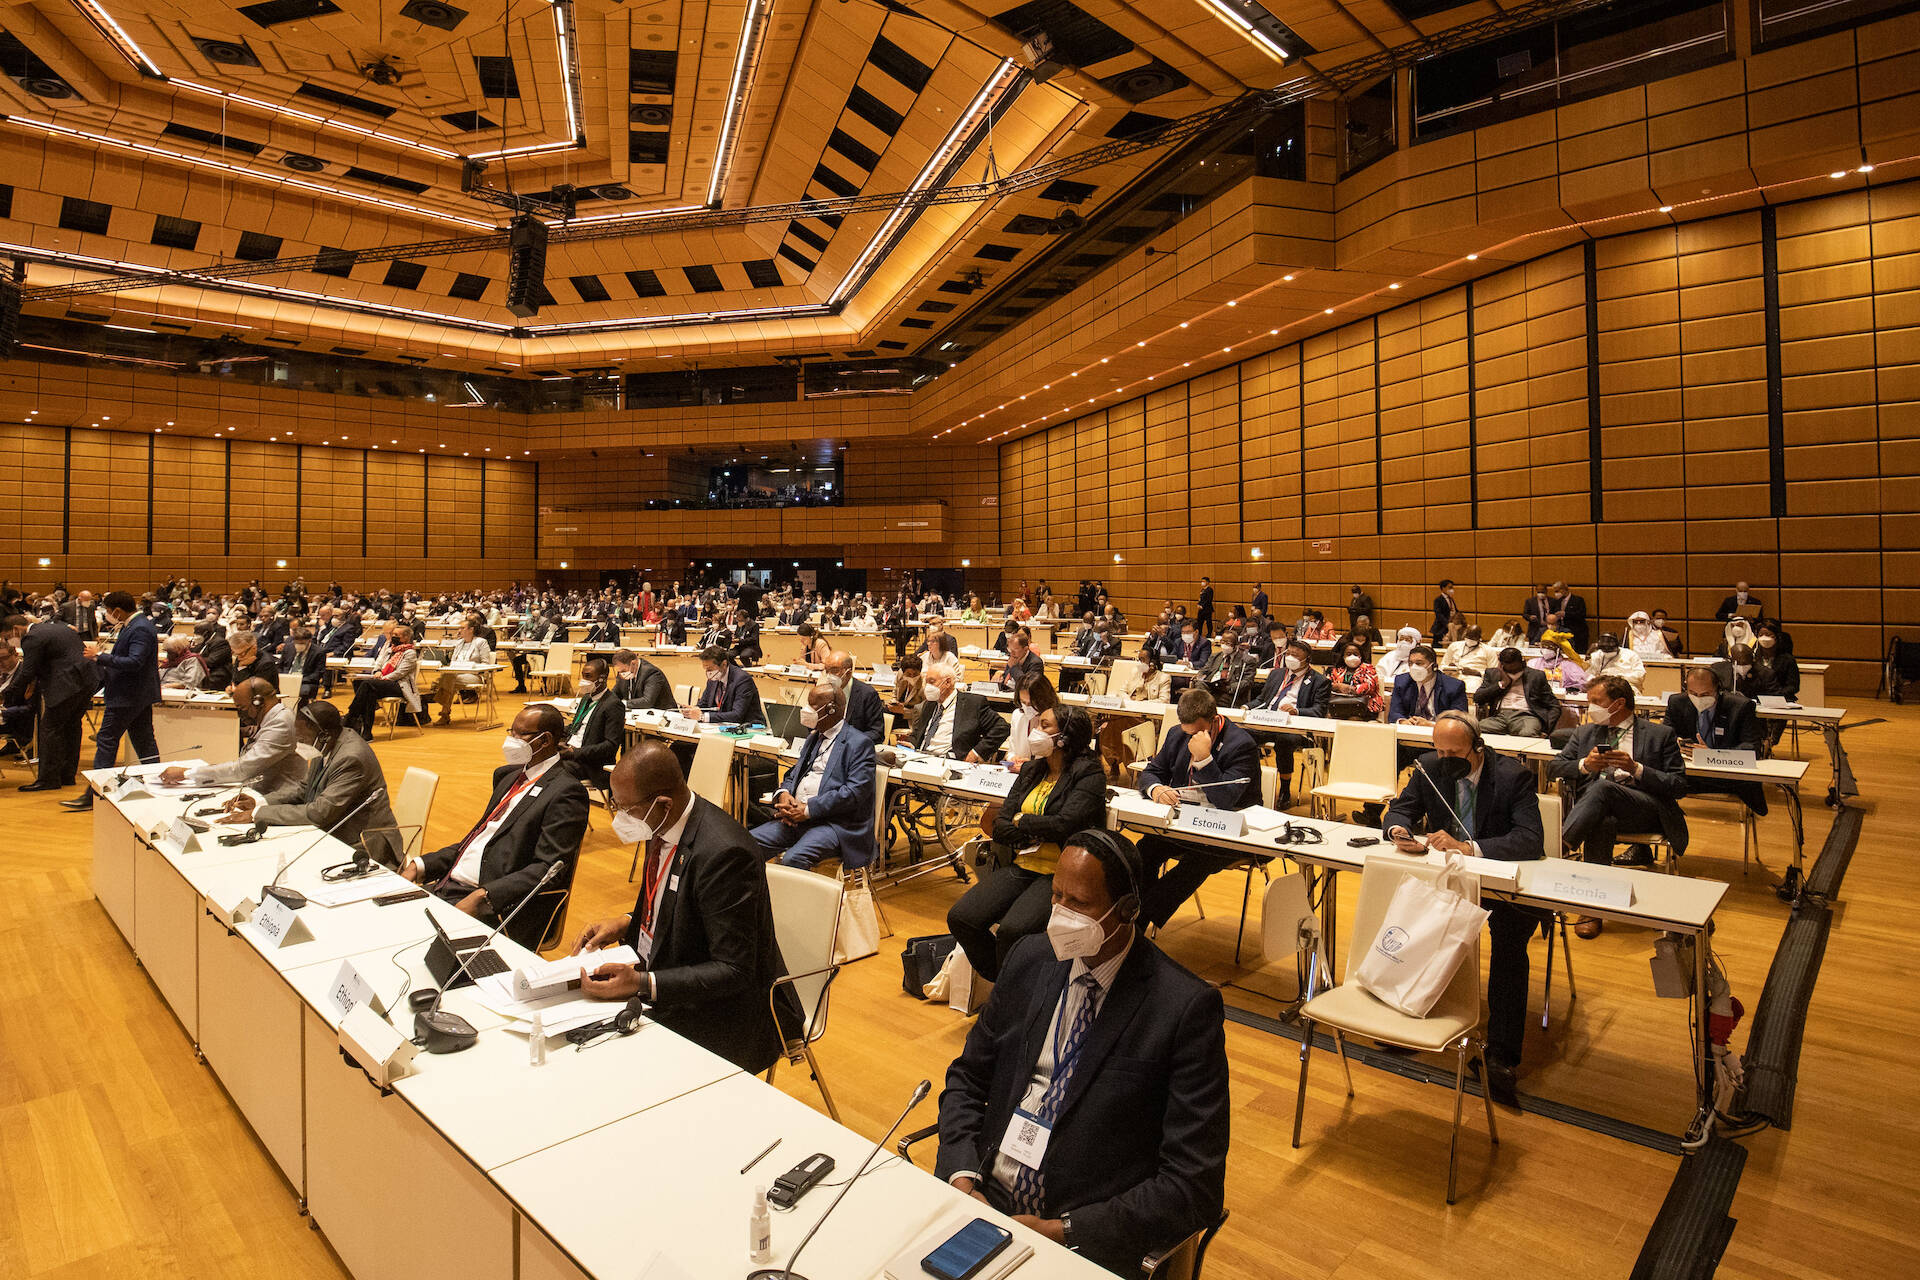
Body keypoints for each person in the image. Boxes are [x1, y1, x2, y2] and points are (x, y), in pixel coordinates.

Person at [935, 830, 1229, 1276]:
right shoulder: (1029, 959)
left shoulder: (1183, 1008)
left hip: (1080, 1236)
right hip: (983, 1205)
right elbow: (968, 1078)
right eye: (1056, 897)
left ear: (1128, 910)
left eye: (1080, 904)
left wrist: (1065, 1230)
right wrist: (961, 1173)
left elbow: (1194, 1184)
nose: (1060, 916)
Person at [570, 744, 803, 1073]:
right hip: (665, 979)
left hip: (718, 1015)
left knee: (604, 1068)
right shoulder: (664, 823)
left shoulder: (725, 853)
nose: (619, 818)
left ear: (662, 803)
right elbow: (675, 901)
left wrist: (642, 983)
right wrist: (627, 922)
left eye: (625, 809)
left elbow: (734, 971)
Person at [1381, 711, 1544, 1108]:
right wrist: (1399, 830)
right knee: (1414, 924)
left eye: (1454, 751)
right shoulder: (1430, 767)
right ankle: (1411, 1018)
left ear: (1478, 747)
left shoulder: (1511, 776)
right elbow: (1399, 809)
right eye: (1439, 749)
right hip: (1450, 879)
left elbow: (1529, 839)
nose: (1445, 757)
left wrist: (1470, 848)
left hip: (1502, 883)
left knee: (1508, 948)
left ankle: (1502, 1057)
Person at [401, 705, 587, 947]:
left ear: (545, 740)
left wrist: (483, 897)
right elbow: (480, 841)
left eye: (521, 735)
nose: (512, 740)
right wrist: (421, 865)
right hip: (449, 888)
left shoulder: (566, 791)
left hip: (493, 907)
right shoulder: (509, 777)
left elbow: (548, 869)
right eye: (512, 732)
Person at [949, 707, 1106, 980]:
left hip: (1060, 874)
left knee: (1013, 931)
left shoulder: (1089, 773)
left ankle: (1011, 993)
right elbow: (1000, 826)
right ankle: (1005, 984)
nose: (1035, 731)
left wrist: (1024, 823)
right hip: (1022, 864)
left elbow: (1065, 825)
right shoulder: (1032, 770)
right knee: (962, 918)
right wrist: (1032, 828)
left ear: (1064, 737)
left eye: (1044, 726)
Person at [1551, 675, 1688, 936]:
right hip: (1596, 812)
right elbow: (1554, 768)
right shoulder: (1585, 732)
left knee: (1602, 788)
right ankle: (1592, 908)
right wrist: (1585, 765)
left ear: (1618, 703)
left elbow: (1679, 785)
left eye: (1596, 701)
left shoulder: (1660, 734)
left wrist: (1636, 768)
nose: (1590, 707)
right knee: (1601, 820)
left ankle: (1559, 846)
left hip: (1644, 808)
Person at [1135, 688, 1262, 928]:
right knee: (1143, 850)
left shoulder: (1241, 744)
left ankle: (1140, 919)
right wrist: (1156, 789)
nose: (1192, 738)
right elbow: (1151, 772)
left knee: (1196, 862)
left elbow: (1226, 801)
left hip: (1229, 830)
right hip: (1186, 820)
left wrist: (1204, 759)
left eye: (1199, 731)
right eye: (1188, 732)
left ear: (1214, 720)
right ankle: (1136, 917)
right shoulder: (1176, 734)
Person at [218, 701, 401, 866]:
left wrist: (258, 814)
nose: (298, 745)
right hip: (334, 832)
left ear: (324, 735)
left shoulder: (351, 759)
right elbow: (303, 789)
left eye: (302, 740)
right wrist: (260, 802)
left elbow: (319, 812)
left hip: (363, 845)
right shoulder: (326, 744)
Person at [751, 682, 876, 871]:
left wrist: (808, 810)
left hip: (834, 824)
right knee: (746, 844)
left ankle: (798, 901)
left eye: (813, 706)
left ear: (832, 709)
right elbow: (793, 774)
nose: (806, 710)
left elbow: (853, 793)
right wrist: (784, 795)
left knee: (793, 859)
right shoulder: (814, 737)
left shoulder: (859, 743)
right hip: (795, 819)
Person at [62, 592, 162, 812]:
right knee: (144, 742)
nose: (107, 615)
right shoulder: (135, 625)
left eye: (108, 611)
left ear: (117, 611)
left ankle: (93, 794)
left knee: (106, 739)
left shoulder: (139, 628)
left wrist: (99, 656)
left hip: (127, 696)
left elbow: (134, 662)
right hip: (136, 695)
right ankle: (159, 786)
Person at [157, 678, 306, 797]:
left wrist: (186, 773)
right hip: (260, 786)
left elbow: (241, 769)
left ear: (258, 702)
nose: (241, 715)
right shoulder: (276, 716)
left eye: (242, 708)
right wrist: (252, 731)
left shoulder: (280, 723)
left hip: (276, 794)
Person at [1664, 664, 1768, 815]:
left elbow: (1752, 748)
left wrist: (1712, 753)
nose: (1699, 699)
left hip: (1727, 776)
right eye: (1693, 693)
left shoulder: (1741, 707)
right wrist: (1677, 743)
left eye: (1705, 694)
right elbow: (1665, 735)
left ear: (1718, 689)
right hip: (1690, 774)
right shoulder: (1676, 702)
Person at [14, 610, 91, 792]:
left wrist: (8, 693)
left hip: (65, 684)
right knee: (72, 727)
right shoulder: (59, 628)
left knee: (50, 729)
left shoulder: (32, 637)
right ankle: (67, 775)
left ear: (16, 629)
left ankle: (48, 779)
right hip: (86, 680)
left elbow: (27, 671)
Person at [911, 664, 1008, 761]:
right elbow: (918, 733)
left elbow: (1002, 728)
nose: (927, 686)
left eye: (931, 682)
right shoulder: (929, 704)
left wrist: (976, 753)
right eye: (926, 682)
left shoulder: (972, 704)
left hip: (948, 760)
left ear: (948, 682)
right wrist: (911, 744)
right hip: (921, 757)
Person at [342, 624, 421, 737]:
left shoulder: (410, 653)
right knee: (366, 690)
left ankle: (351, 716)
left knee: (368, 684)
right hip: (382, 683)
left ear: (406, 638)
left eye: (396, 635)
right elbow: (378, 663)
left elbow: (400, 673)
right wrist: (377, 672)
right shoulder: (389, 650)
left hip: (399, 686)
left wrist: (383, 678)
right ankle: (367, 732)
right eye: (393, 634)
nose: (393, 637)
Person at [557, 657, 624, 788]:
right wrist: (554, 733)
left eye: (588, 677)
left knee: (553, 770)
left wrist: (575, 752)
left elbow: (610, 745)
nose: (583, 681)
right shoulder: (586, 698)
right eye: (583, 676)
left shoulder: (613, 705)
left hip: (590, 764)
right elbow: (575, 726)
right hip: (571, 753)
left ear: (602, 679)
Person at [1473, 647, 1559, 738]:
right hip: (1499, 717)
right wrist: (1501, 684)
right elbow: (1478, 698)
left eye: (1516, 668)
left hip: (1526, 716)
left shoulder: (1536, 676)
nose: (1513, 671)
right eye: (1508, 668)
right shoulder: (1493, 674)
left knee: (1528, 733)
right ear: (1501, 665)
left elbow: (1554, 705)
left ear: (1522, 662)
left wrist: (1546, 728)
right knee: (1473, 729)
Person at [682, 644, 765, 725]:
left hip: (748, 727)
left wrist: (703, 717)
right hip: (721, 726)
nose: (708, 673)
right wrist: (693, 710)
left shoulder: (742, 680)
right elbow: (704, 705)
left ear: (724, 664)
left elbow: (737, 715)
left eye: (710, 668)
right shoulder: (712, 679)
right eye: (705, 669)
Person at [431, 619, 493, 724]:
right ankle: (445, 713)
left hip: (474, 675)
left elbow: (486, 663)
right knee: (450, 678)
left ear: (471, 629)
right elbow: (453, 662)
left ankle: (441, 705)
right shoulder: (459, 643)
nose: (459, 630)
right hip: (456, 675)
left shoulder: (481, 642)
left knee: (447, 679)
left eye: (462, 628)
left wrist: (470, 666)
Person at [1387, 644, 1466, 725]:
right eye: (1410, 663)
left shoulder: (1454, 686)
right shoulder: (1402, 681)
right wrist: (1403, 722)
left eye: (1419, 663)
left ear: (1434, 666)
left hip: (1440, 732)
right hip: (1410, 730)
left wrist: (1430, 724)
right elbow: (1394, 713)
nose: (1414, 667)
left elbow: (1459, 721)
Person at [822, 650, 885, 741]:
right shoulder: (824, 692)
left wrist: (848, 741)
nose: (829, 675)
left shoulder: (867, 694)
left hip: (854, 749)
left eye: (834, 670)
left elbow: (876, 733)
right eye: (827, 670)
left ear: (848, 672)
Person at [1006, 673, 1061, 768]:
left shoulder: (1056, 719)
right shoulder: (1018, 715)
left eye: (1031, 703)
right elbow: (1011, 750)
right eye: (1023, 702)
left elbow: (1058, 760)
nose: (1027, 707)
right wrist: (1013, 758)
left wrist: (1030, 766)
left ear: (1044, 699)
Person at [1325, 636, 1384, 720]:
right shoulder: (1337, 670)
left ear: (1361, 656)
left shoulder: (1368, 668)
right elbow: (1327, 685)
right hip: (1339, 704)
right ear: (1343, 656)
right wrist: (1337, 686)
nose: (1352, 656)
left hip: (1365, 705)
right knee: (1329, 717)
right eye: (1348, 654)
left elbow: (1370, 686)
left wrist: (1350, 689)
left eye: (1356, 654)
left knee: (1354, 719)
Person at [610, 648, 674, 710]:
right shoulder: (622, 672)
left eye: (623, 670)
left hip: (662, 714)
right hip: (637, 713)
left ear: (633, 663)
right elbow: (615, 693)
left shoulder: (652, 673)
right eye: (619, 671)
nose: (621, 674)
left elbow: (647, 701)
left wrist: (623, 703)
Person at [1432, 579, 1460, 643]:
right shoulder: (1438, 600)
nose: (1452, 590)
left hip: (1452, 626)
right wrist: (1447, 624)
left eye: (1452, 587)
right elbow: (1438, 614)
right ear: (1443, 588)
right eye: (1450, 587)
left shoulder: (1451, 599)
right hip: (1441, 628)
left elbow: (1455, 611)